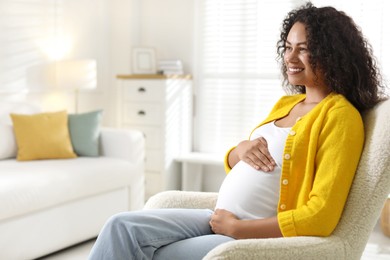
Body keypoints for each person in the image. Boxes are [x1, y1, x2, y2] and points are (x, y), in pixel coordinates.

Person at [88, 3, 385, 259]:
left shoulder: (340, 117)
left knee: (151, 252)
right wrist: (239, 150)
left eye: (304, 50)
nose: (291, 58)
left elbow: (320, 215)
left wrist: (238, 229)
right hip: (218, 217)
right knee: (120, 226)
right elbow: (243, 161)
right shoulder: (287, 104)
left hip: (246, 233)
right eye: (288, 47)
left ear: (333, 55)